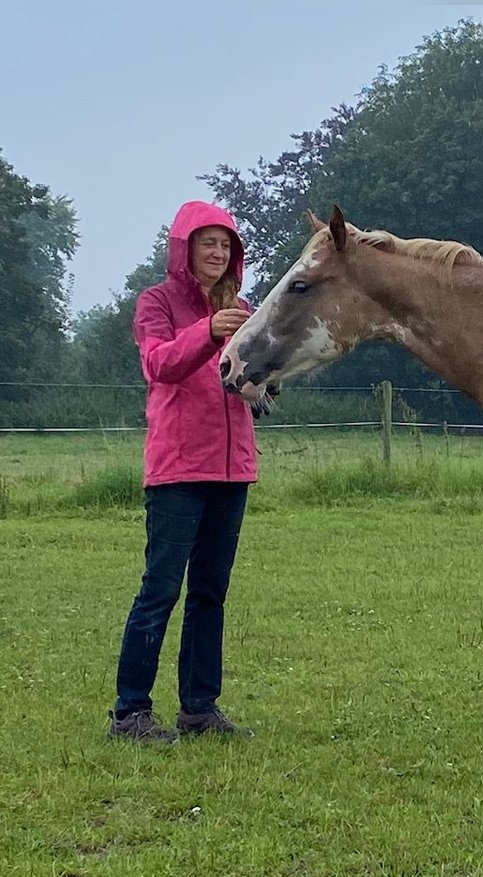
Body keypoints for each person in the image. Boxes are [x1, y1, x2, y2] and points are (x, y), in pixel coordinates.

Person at [109, 200, 259, 744]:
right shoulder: (157, 303)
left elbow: (245, 375)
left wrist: (263, 380)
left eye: (226, 245)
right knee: (161, 589)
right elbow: (159, 365)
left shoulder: (241, 305)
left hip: (232, 467)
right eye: (208, 243)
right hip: (177, 468)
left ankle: (199, 709)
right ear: (184, 248)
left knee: (211, 593)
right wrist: (209, 332)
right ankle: (130, 714)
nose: (218, 253)